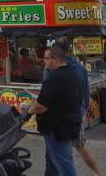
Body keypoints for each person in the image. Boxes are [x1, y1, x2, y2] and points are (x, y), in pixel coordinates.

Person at [29, 46, 82, 176]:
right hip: (69, 124)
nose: (44, 61)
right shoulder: (74, 73)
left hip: (57, 129)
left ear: (55, 59)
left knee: (63, 164)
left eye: (46, 58)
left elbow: (41, 106)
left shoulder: (54, 78)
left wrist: (29, 110)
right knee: (53, 161)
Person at [53, 41, 102, 176]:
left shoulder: (58, 67)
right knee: (80, 146)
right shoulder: (80, 68)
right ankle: (97, 172)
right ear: (69, 50)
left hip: (63, 115)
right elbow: (86, 91)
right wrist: (84, 108)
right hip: (78, 112)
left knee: (61, 151)